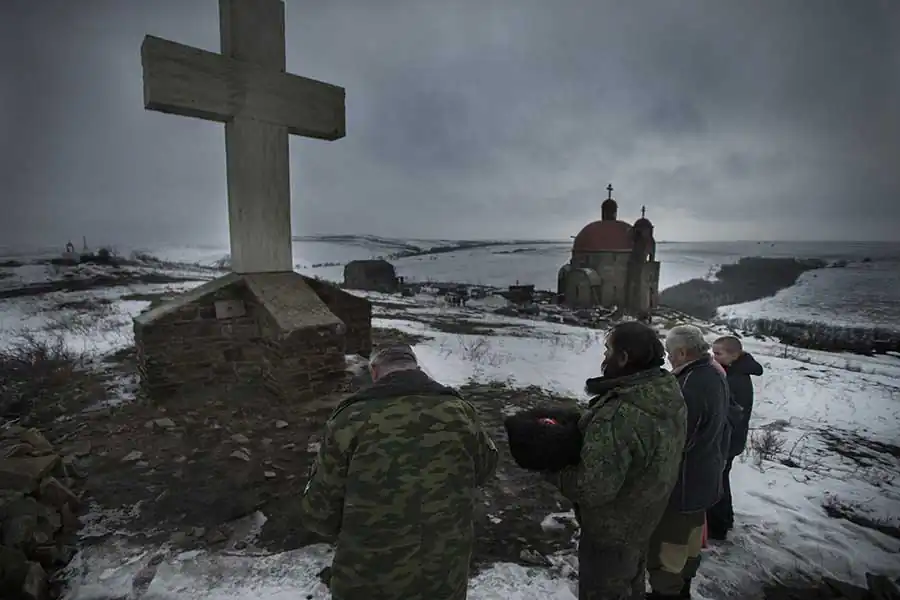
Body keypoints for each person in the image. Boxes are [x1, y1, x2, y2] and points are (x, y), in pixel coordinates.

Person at [299, 344, 499, 600]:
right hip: (443, 575)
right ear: (415, 368)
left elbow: (320, 511)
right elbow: (486, 468)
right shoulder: (460, 411)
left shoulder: (351, 418)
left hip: (368, 579)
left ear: (374, 372)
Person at [545, 321, 687, 600]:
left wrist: (550, 466)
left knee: (607, 589)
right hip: (643, 518)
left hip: (611, 532)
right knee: (631, 584)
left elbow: (592, 489)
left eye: (608, 351)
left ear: (623, 358)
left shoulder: (619, 413)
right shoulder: (665, 391)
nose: (604, 358)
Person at [647, 325, 731, 599]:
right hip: (704, 477)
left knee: (670, 548)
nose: (669, 358)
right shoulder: (713, 372)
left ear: (683, 352)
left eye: (671, 353)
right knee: (691, 542)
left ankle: (668, 594)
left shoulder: (690, 384)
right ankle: (682, 589)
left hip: (683, 484)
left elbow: (680, 441)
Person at [707, 335, 764, 540]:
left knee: (717, 482)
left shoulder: (735, 379)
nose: (714, 357)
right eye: (713, 352)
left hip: (728, 440)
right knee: (720, 479)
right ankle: (724, 520)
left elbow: (730, 414)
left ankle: (718, 527)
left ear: (735, 355)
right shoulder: (732, 372)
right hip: (729, 440)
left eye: (718, 353)